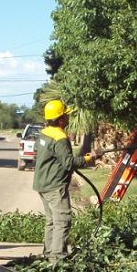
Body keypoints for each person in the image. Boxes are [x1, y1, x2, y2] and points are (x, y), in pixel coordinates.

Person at [32, 100, 96, 260]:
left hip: (42, 184)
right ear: (61, 119)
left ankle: (48, 255)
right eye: (66, 115)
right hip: (54, 186)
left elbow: (38, 151)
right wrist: (88, 158)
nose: (68, 117)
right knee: (62, 220)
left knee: (51, 220)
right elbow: (68, 163)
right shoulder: (60, 138)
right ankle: (57, 259)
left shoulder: (44, 133)